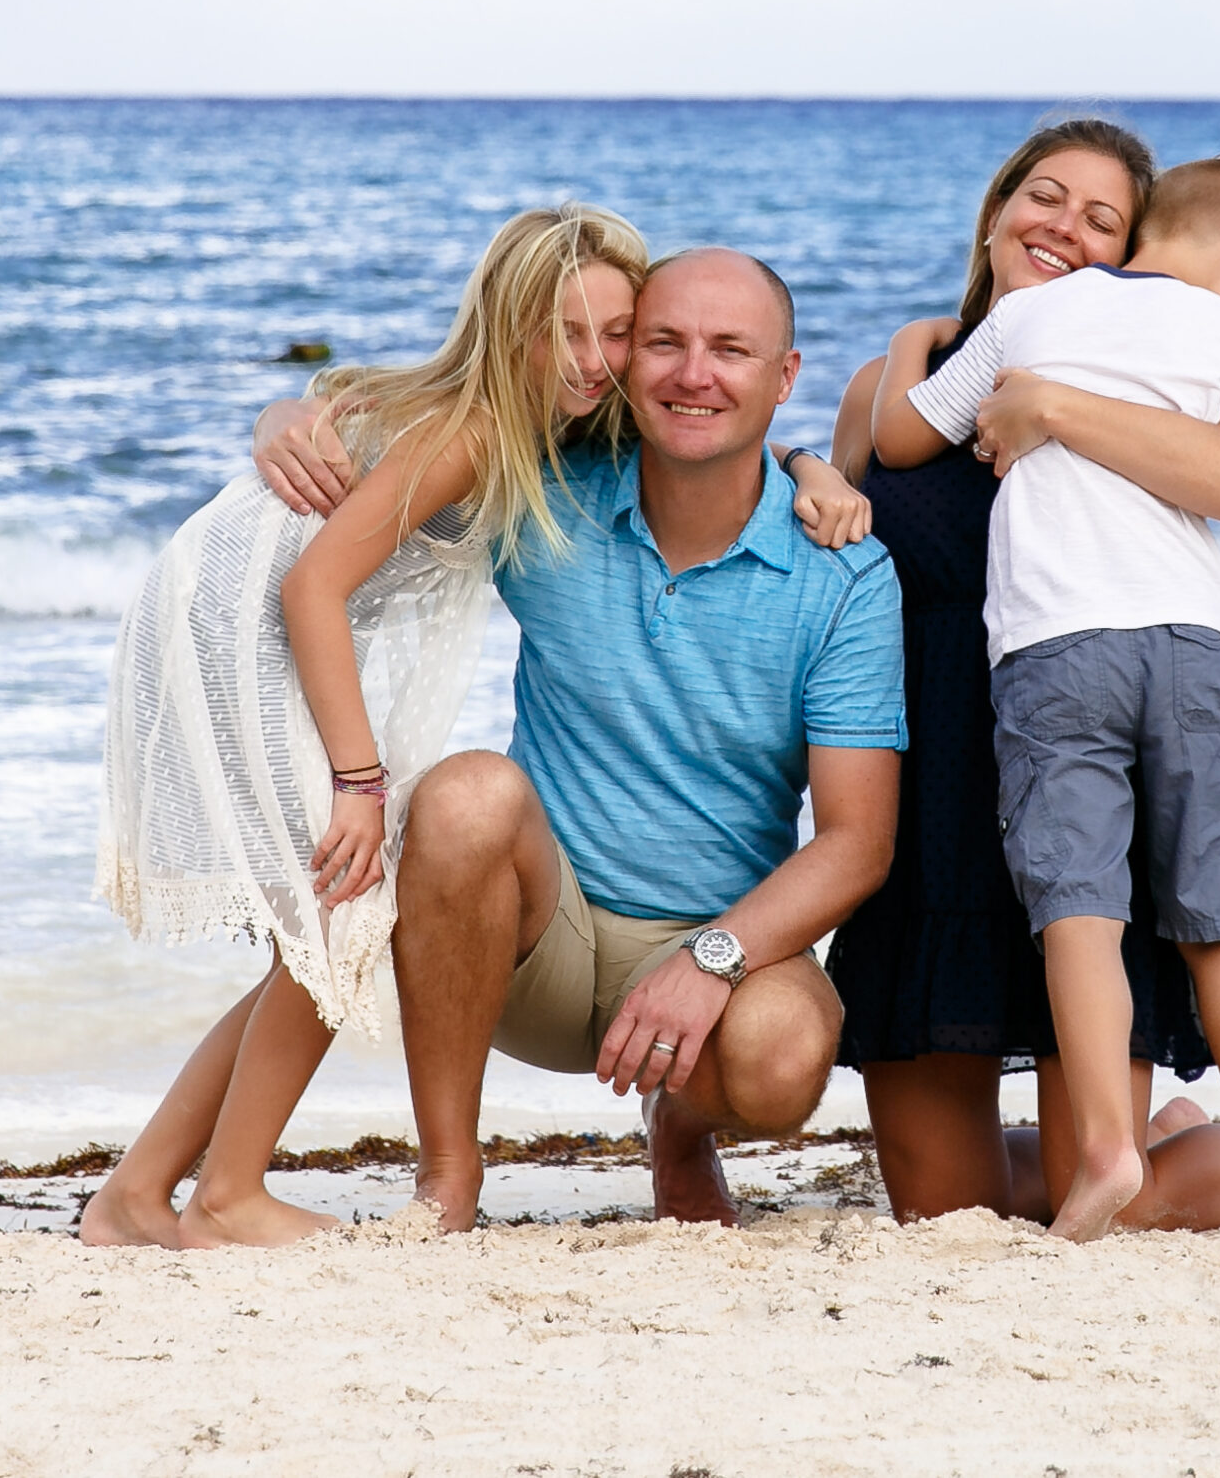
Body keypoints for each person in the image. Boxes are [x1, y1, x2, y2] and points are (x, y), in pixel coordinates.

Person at [826, 119, 1220, 1232]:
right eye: (1043, 196)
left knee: (1100, 1202)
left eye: (1101, 217)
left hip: (1089, 823)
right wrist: (795, 464)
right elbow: (838, 520)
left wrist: (1055, 405)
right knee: (943, 1214)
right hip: (934, 844)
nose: (1062, 225)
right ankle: (1182, 1135)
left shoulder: (1169, 371)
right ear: (993, 212)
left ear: (1134, 252)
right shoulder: (902, 375)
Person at [83, 203, 649, 1248]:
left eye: (617, 333)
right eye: (566, 332)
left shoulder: (523, 422)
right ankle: (228, 1197)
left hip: (238, 607)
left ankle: (135, 1195)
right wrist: (359, 780)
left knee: (310, 935)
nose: (596, 360)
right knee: (347, 900)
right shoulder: (474, 430)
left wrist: (806, 469)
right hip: (239, 623)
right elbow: (311, 590)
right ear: (510, 326)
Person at [388, 248, 905, 1229]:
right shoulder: (545, 494)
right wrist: (286, 420)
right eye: (662, 342)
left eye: (729, 350)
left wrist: (711, 957)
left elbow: (856, 840)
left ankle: (680, 1128)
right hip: (534, 941)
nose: (692, 373)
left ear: (784, 378)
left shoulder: (843, 575)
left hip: (715, 946)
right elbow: (377, 453)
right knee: (464, 795)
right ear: (624, 363)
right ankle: (448, 1176)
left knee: (788, 1054)